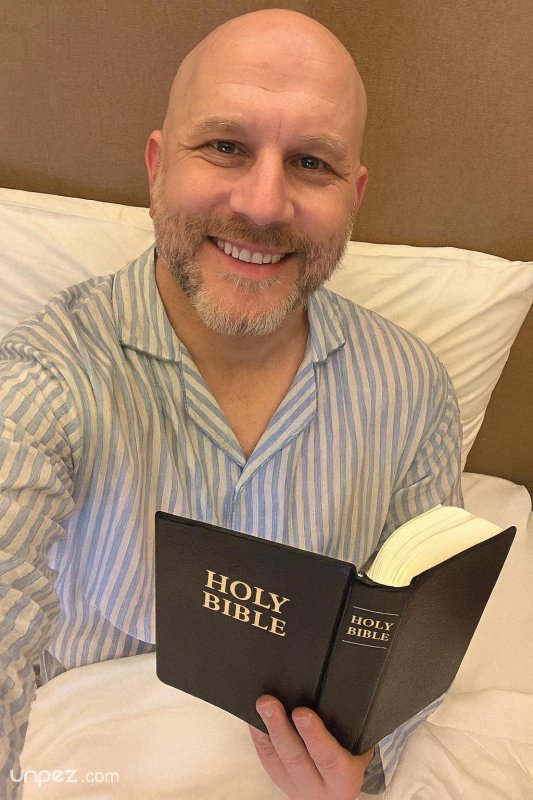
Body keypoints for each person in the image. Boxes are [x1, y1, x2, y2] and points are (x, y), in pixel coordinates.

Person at [0, 9, 462, 800]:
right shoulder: (48, 374)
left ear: (353, 196)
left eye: (311, 162)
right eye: (225, 146)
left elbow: (412, 649)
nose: (264, 204)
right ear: (156, 168)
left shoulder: (412, 390)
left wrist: (360, 769)